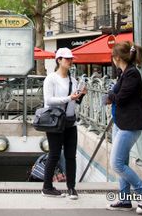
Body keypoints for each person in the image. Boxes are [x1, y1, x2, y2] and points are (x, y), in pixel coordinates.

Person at [105, 41, 142, 214]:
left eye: (113, 56)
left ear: (117, 58)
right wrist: (112, 95)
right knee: (122, 161)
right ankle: (125, 200)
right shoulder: (124, 73)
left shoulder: (132, 74)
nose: (112, 59)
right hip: (121, 122)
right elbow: (115, 92)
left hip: (130, 124)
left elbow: (121, 97)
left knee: (116, 164)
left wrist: (111, 96)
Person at [41, 47, 86, 200]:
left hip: (70, 122)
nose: (70, 61)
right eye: (67, 59)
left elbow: (75, 102)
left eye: (71, 59)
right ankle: (47, 187)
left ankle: (71, 188)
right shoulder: (51, 78)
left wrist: (80, 96)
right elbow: (48, 100)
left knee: (70, 156)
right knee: (54, 154)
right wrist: (69, 98)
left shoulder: (73, 80)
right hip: (55, 122)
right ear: (58, 60)